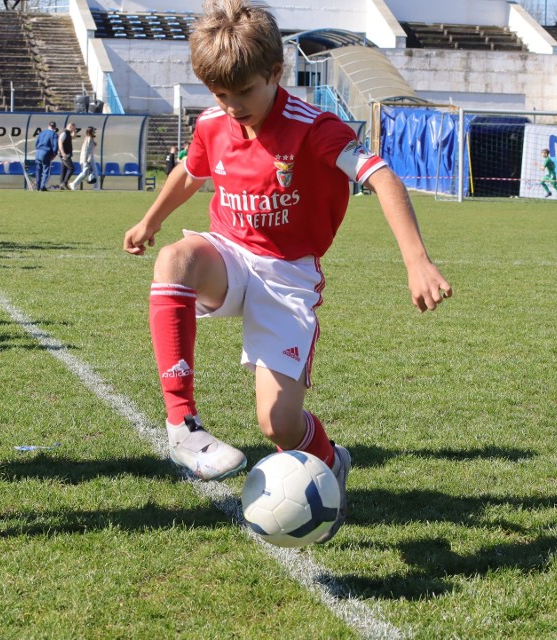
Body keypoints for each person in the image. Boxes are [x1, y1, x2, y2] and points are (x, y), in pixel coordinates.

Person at [123, 0, 451, 543]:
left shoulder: (313, 128)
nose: (231, 107)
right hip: (227, 254)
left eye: (244, 93)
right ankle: (182, 425)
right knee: (174, 261)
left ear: (276, 74)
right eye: (220, 95)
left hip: (286, 275)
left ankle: (327, 459)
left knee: (278, 425)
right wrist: (150, 220)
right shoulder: (213, 122)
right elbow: (191, 170)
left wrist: (417, 260)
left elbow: (382, 176)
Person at [69, 126, 99, 190]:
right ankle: (73, 184)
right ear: (91, 132)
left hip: (88, 157)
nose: (94, 132)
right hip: (87, 157)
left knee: (91, 172)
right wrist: (88, 159)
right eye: (93, 131)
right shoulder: (89, 138)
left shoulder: (89, 138)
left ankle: (96, 187)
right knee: (85, 172)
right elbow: (88, 150)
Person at [34, 121, 58, 192]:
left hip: (38, 151)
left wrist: (38, 149)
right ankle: (42, 186)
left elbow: (36, 143)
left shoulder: (42, 133)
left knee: (38, 170)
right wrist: (54, 154)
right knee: (45, 170)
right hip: (46, 152)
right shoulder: (54, 134)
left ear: (48, 125)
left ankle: (37, 187)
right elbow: (55, 145)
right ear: (55, 127)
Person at [58, 122, 77, 189]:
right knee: (71, 168)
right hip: (64, 154)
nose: (74, 129)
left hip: (67, 154)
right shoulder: (64, 133)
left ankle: (61, 184)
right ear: (70, 127)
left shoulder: (68, 134)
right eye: (73, 128)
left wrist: (74, 131)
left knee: (64, 169)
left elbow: (73, 137)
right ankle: (64, 182)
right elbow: (60, 143)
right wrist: (63, 153)